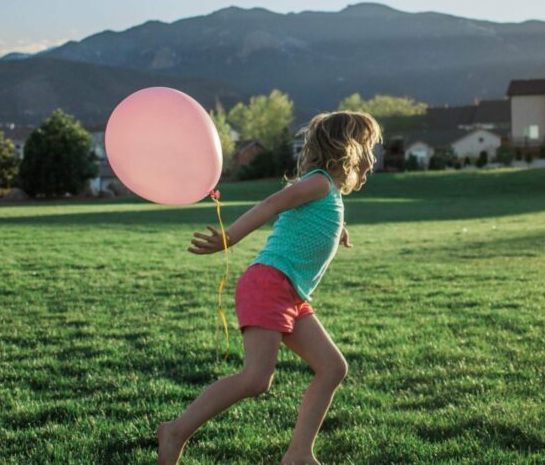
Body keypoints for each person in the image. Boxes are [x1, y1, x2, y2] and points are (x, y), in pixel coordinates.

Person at [157, 110, 383, 465]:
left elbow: (309, 220)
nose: (371, 156)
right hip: (268, 284)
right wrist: (228, 238)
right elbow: (272, 204)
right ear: (347, 148)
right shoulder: (319, 183)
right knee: (256, 379)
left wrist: (337, 230)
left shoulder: (328, 192)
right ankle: (175, 431)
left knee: (332, 368)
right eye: (367, 146)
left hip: (289, 293)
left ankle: (298, 454)